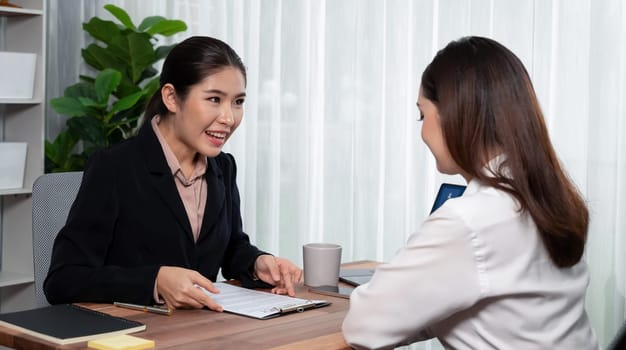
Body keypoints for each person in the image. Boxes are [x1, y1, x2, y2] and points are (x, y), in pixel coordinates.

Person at [342, 36, 599, 349]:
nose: (422, 131)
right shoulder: (548, 199)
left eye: (423, 115)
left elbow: (363, 326)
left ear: (454, 115)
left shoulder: (470, 220)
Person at [44, 36, 302, 311]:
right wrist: (154, 280)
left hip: (201, 331)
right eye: (214, 99)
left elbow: (230, 248)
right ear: (171, 98)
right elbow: (63, 279)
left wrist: (257, 263)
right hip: (133, 335)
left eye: (237, 102)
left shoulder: (223, 167)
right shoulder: (115, 167)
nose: (229, 118)